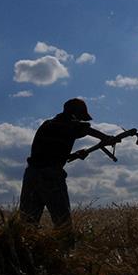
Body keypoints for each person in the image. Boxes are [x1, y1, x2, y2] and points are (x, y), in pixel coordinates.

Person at [18, 98, 118, 231]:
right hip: (51, 176)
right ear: (74, 113)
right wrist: (107, 138)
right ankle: (65, 250)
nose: (80, 120)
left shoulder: (47, 125)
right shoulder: (69, 124)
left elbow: (48, 153)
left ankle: (23, 249)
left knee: (27, 222)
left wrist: (74, 155)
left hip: (31, 174)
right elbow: (87, 130)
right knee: (63, 223)